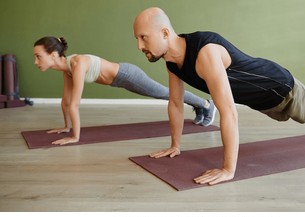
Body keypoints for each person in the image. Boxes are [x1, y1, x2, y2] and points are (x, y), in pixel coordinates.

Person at [132, 7, 305, 186]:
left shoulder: (205, 53)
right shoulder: (172, 62)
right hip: (259, 97)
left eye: (144, 38)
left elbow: (228, 111)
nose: (140, 46)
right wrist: (175, 145)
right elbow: (176, 103)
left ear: (165, 33)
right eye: (137, 39)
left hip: (276, 85)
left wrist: (228, 169)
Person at [33, 36, 216, 145]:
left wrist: (74, 136)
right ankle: (201, 105)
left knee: (165, 93)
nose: (36, 61)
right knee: (165, 93)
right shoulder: (68, 70)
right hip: (121, 80)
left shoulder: (77, 63)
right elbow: (65, 101)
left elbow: (74, 104)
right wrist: (66, 127)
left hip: (127, 75)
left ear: (54, 55)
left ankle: (206, 104)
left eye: (38, 57)